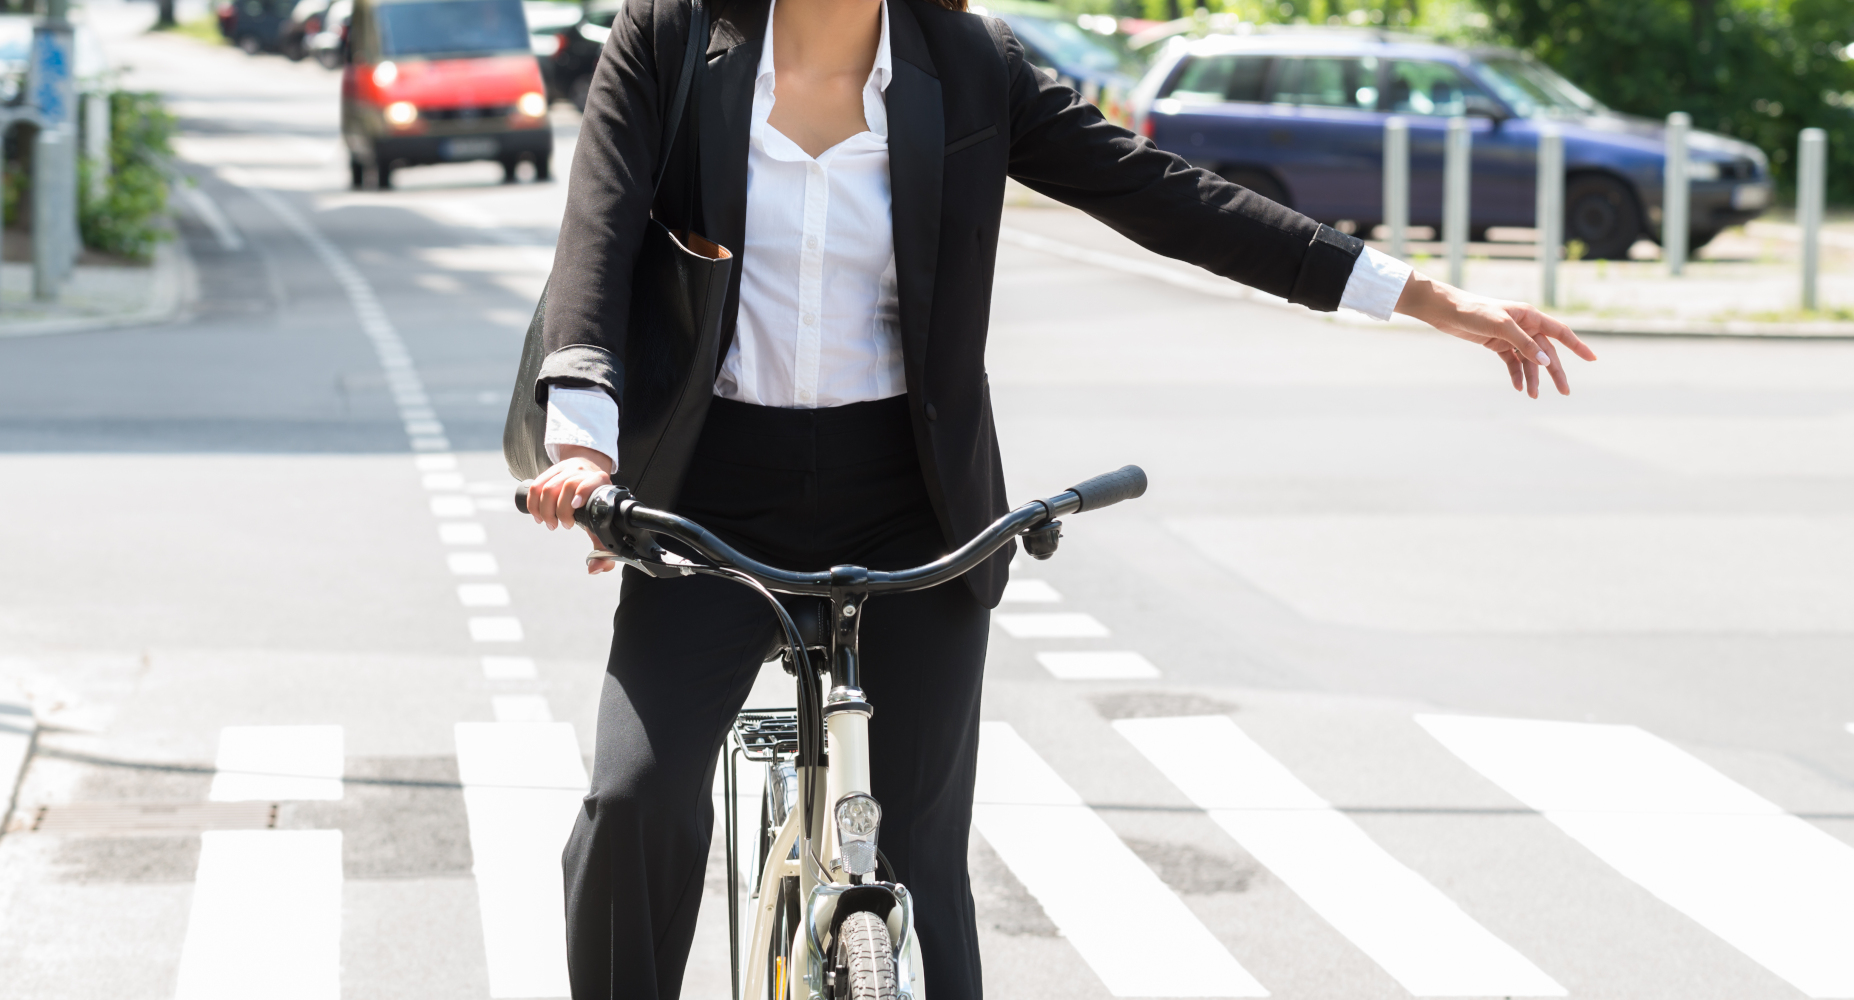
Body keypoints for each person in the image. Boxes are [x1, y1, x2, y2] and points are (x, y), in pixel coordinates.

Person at [521, 0, 1595, 995]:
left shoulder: (966, 66)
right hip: (712, 496)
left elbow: (1165, 195)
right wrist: (586, 452)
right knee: (634, 801)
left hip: (910, 500)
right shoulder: (670, 39)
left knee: (917, 862)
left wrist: (1415, 294)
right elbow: (599, 242)